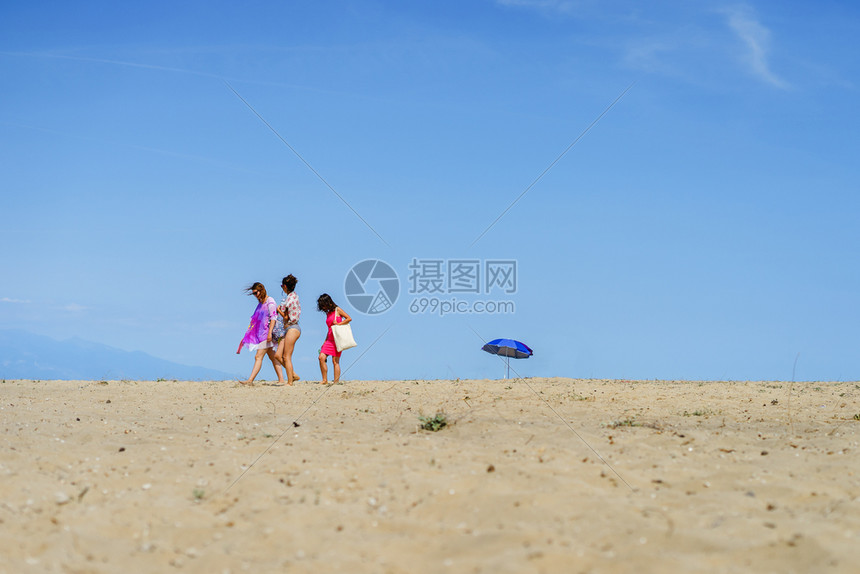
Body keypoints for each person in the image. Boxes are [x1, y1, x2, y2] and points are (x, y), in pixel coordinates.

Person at [236, 282, 285, 386]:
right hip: (261, 335)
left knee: (258, 357)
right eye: (253, 293)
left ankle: (250, 380)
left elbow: (273, 318)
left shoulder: (270, 301)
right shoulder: (260, 304)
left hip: (267, 335)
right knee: (273, 357)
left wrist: (270, 334)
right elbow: (254, 321)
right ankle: (283, 378)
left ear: (261, 290)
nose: (255, 295)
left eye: (256, 292)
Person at [317, 293, 351, 384]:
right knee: (321, 357)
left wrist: (338, 324)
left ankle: (336, 382)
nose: (323, 308)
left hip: (337, 339)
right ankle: (324, 380)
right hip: (329, 339)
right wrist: (324, 341)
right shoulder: (328, 313)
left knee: (335, 361)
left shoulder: (337, 310)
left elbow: (349, 318)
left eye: (323, 305)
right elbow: (329, 329)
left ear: (328, 302)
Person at [275, 274, 302, 385]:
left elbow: (286, 317)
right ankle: (293, 375)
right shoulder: (294, 296)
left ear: (285, 286)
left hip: (292, 328)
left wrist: (278, 310)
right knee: (278, 355)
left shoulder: (289, 299)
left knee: (286, 356)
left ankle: (290, 382)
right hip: (289, 329)